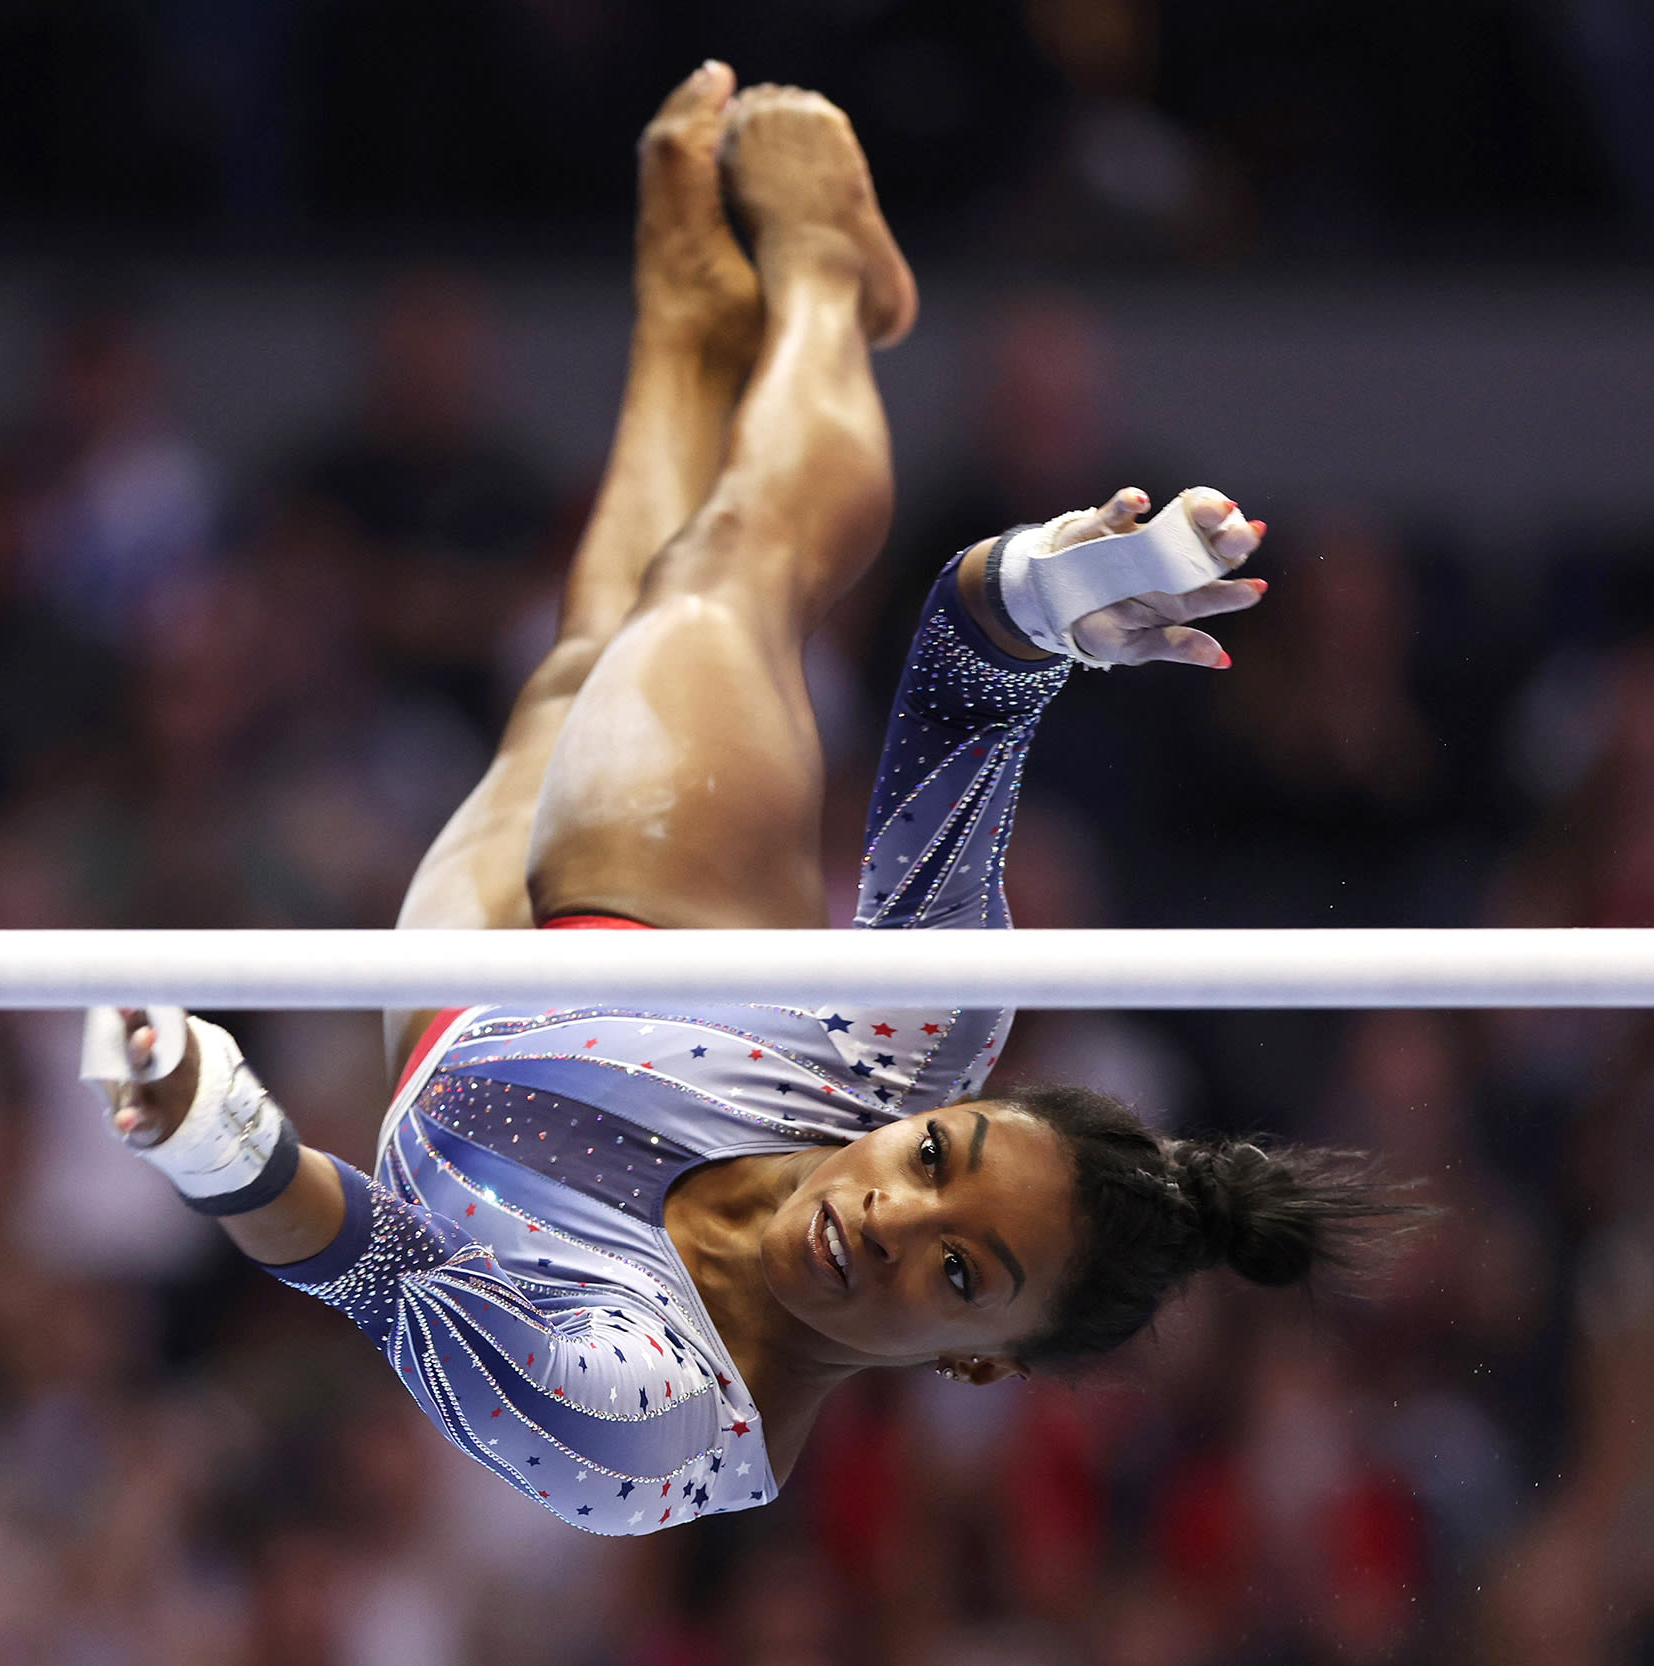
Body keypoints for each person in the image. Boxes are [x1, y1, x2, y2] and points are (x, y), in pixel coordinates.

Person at [88, 68, 1408, 1536]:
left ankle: (682, 324)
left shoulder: (643, 1424)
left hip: (449, 1050)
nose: (892, 1216)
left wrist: (212, 1133)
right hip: (664, 928)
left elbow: (382, 1267)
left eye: (961, 1272)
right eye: (934, 1158)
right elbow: (962, 675)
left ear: (980, 1359)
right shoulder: (915, 1046)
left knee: (576, 659)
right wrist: (1062, 586)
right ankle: (828, 279)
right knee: (730, 565)